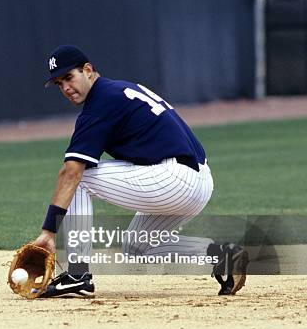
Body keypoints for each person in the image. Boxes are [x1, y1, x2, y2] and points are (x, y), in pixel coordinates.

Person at [32, 45, 248, 298]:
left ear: (88, 70)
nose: (66, 87)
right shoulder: (121, 89)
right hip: (198, 180)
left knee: (80, 179)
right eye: (59, 83)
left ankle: (77, 274)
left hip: (174, 179)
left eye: (69, 77)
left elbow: (71, 172)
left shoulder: (100, 103)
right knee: (137, 245)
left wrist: (48, 232)